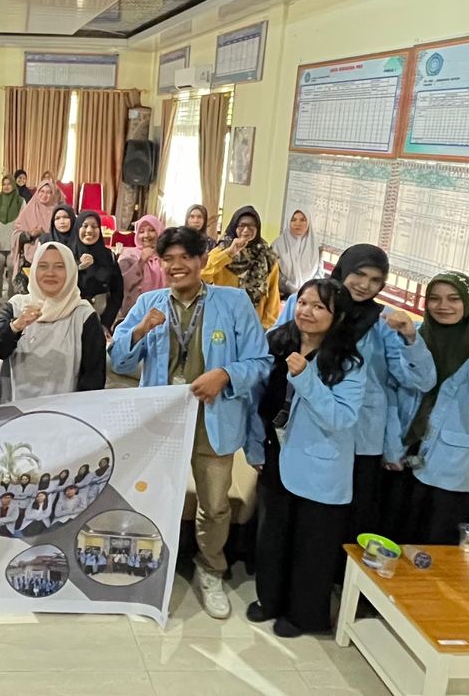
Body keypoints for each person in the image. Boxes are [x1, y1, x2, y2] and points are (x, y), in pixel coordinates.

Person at [110, 226, 271, 620]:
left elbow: (261, 362)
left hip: (213, 422)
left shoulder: (232, 302)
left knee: (215, 505)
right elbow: (118, 361)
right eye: (169, 259)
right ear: (160, 263)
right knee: (153, 496)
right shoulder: (149, 302)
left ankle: (210, 567)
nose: (177, 266)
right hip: (162, 423)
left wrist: (226, 375)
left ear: (202, 260)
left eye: (186, 257)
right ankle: (149, 566)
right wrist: (140, 331)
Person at [274, 244, 434, 543]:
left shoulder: (385, 320)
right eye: (359, 274)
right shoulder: (307, 300)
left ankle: (341, 580)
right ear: (344, 269)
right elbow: (278, 346)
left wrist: (411, 339)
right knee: (295, 509)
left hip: (362, 433)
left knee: (350, 513)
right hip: (304, 426)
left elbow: (420, 381)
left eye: (376, 280)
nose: (365, 285)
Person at [246, 279, 366, 637]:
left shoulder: (349, 362)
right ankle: (270, 599)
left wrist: (306, 377)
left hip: (319, 462)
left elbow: (343, 417)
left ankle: (303, 614)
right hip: (274, 454)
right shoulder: (277, 342)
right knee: (273, 535)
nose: (307, 312)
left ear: (337, 315)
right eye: (303, 303)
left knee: (311, 543)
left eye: (319, 307)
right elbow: (258, 400)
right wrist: (254, 445)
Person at [389, 272, 469, 545]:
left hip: (448, 464)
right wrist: (411, 341)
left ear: (468, 304)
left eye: (453, 299)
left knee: (434, 545)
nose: (442, 306)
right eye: (434, 298)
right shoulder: (414, 336)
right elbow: (415, 384)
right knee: (393, 534)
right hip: (403, 449)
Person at [0, 242, 106, 400]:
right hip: (18, 411)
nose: (50, 273)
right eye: (43, 266)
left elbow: (94, 378)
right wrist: (16, 326)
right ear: (33, 270)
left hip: (63, 415)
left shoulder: (83, 315)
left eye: (59, 266)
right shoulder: (18, 305)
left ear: (70, 271)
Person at [203, 206, 281, 325]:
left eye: (251, 226)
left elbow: (273, 295)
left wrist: (266, 327)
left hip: (253, 323)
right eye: (242, 225)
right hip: (223, 320)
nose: (246, 230)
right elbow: (203, 276)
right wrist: (229, 253)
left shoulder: (267, 256)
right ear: (234, 226)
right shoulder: (221, 250)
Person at [73, 211, 123, 328]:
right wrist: (79, 266)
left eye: (94, 226)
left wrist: (106, 323)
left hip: (101, 319)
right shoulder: (67, 254)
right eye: (85, 226)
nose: (89, 231)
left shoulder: (108, 256)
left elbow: (117, 292)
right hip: (71, 319)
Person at [116, 214, 165, 325]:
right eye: (141, 231)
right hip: (135, 313)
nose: (146, 235)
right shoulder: (128, 254)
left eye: (152, 230)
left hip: (163, 312)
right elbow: (124, 283)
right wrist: (141, 261)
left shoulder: (166, 255)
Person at [0, 175, 24, 308]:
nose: (6, 186)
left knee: (13, 269)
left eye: (9, 184)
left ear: (13, 185)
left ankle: (11, 298)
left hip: (13, 244)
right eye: (4, 184)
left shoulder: (20, 201)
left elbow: (23, 221)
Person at [274, 206, 320, 299]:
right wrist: (293, 290)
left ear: (308, 223)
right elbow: (275, 273)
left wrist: (307, 291)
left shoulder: (316, 247)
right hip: (282, 295)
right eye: (293, 220)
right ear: (288, 222)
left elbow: (319, 274)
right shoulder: (277, 245)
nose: (298, 223)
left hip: (309, 296)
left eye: (303, 220)